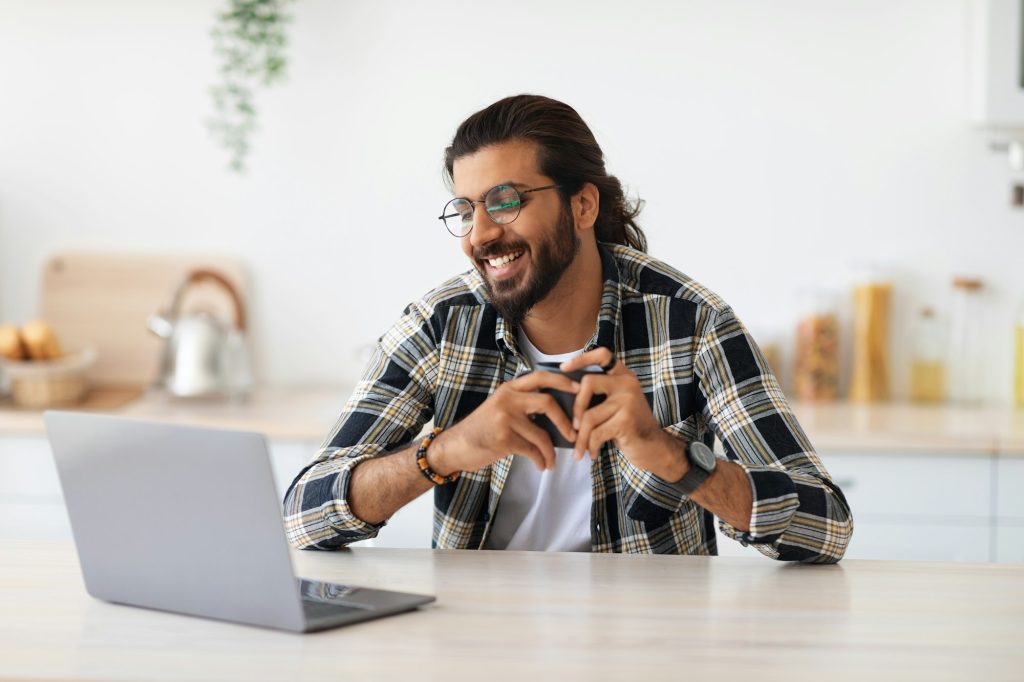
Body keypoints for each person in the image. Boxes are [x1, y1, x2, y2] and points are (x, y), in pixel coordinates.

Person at [283, 94, 853, 562]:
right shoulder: (442, 325)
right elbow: (303, 515)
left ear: (583, 206)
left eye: (505, 202)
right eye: (466, 209)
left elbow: (826, 528)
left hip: (647, 645)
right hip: (474, 644)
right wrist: (448, 450)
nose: (478, 235)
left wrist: (675, 459)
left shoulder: (691, 322)